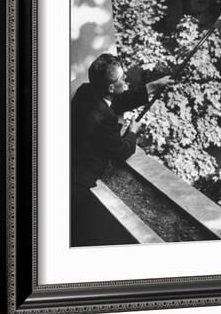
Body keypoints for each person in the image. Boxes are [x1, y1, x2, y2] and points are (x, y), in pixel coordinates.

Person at [70, 53, 173, 246]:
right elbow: (121, 151)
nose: (126, 79)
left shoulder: (87, 91)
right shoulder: (104, 119)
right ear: (110, 87)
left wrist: (153, 85)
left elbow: (119, 100)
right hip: (78, 186)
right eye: (122, 78)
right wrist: (133, 132)